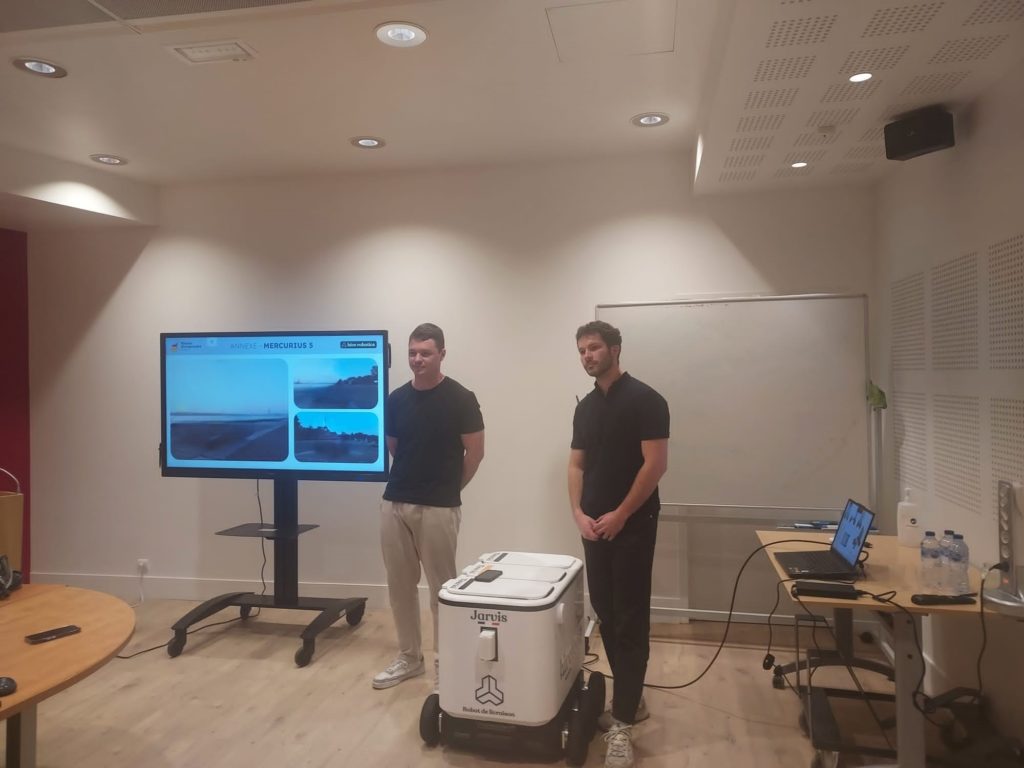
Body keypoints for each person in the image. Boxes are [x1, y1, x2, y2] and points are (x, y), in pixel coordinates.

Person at [568, 320, 669, 768]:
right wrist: (578, 513)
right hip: (594, 528)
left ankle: (623, 722)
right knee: (606, 613)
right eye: (582, 351)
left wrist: (622, 514)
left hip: (632, 526)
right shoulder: (586, 408)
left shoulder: (647, 400)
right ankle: (632, 696)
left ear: (615, 349)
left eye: (594, 348)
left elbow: (655, 465)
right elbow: (576, 465)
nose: (587, 356)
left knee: (630, 618)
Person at [373, 323, 485, 690]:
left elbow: (475, 453)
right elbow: (395, 447)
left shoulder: (461, 398)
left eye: (425, 353)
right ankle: (409, 658)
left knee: (443, 589)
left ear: (442, 354)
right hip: (395, 502)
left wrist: (448, 490)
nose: (417, 359)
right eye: (412, 353)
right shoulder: (396, 399)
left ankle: (446, 666)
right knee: (399, 585)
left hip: (438, 507)